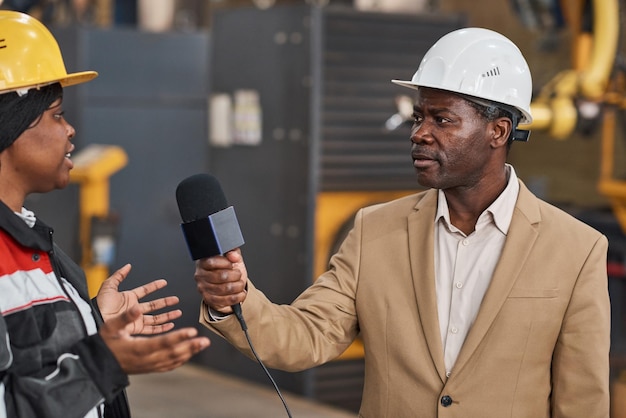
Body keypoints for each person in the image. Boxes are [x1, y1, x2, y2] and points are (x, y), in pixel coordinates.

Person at [194, 27, 610, 417]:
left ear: (498, 131)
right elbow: (306, 336)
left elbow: (582, 399)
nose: (419, 133)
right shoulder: (375, 230)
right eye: (418, 117)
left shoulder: (576, 249)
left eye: (442, 119)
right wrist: (234, 297)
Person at [0, 10, 210, 418]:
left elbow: (33, 354)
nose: (70, 130)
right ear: (10, 126)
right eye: (57, 114)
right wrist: (101, 365)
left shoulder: (32, 243)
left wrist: (93, 320)